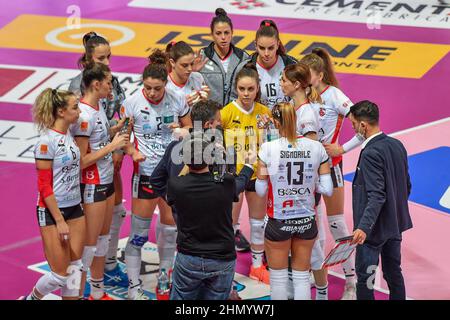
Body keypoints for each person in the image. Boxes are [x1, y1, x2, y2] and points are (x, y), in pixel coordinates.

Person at [120, 49, 192, 300]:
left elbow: (190, 128)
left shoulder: (177, 99)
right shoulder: (131, 104)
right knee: (138, 234)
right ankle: (133, 287)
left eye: (157, 88)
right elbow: (121, 137)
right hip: (147, 175)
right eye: (148, 88)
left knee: (170, 229)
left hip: (172, 174)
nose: (152, 93)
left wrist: (181, 132)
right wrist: (131, 151)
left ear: (165, 84)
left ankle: (165, 275)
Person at [68, 31, 129, 288]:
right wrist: (112, 146)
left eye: (109, 57)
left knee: (106, 231)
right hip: (91, 179)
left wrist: (116, 135)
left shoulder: (101, 102)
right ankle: (75, 290)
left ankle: (98, 285)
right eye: (102, 59)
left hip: (105, 171)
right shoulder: (81, 104)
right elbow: (80, 156)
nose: (108, 64)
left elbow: (101, 131)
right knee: (89, 242)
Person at [255, 102, 333, 300]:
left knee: (279, 278)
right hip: (306, 220)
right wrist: (309, 183)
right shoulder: (316, 147)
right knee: (301, 277)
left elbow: (260, 189)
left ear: (274, 122)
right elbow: (328, 189)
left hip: (279, 219)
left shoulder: (267, 148)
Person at [301, 48, 361, 299]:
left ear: (320, 74)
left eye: (308, 75)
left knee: (336, 223)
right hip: (307, 168)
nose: (304, 79)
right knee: (311, 223)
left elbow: (363, 123)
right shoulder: (302, 94)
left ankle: (351, 281)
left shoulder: (335, 95)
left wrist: (342, 148)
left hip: (332, 165)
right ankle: (318, 275)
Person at [167, 131, 255, 300]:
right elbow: (241, 181)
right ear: (210, 158)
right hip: (222, 258)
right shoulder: (224, 184)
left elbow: (183, 178)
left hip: (189, 256)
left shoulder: (177, 185)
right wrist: (249, 165)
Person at [21, 89, 85, 300]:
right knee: (59, 275)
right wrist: (59, 221)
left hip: (75, 207)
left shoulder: (68, 132)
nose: (79, 110)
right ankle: (33, 298)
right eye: (75, 107)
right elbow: (44, 187)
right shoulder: (46, 142)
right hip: (51, 212)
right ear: (60, 112)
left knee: (76, 267)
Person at [348, 100, 413, 300]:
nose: (354, 130)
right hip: (394, 226)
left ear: (363, 125)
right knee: (394, 273)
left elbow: (377, 195)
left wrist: (364, 227)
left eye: (353, 125)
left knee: (366, 277)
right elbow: (406, 185)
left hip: (373, 231)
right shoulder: (397, 145)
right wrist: (393, 212)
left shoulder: (370, 153)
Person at [280, 62, 329, 299]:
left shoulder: (307, 113)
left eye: (284, 81)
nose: (281, 84)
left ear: (297, 84)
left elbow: (311, 153)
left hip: (305, 189)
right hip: (290, 186)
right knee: (291, 241)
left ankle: (322, 293)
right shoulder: (291, 107)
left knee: (314, 245)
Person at [221, 63, 272, 284]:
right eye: (242, 89)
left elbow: (271, 145)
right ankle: (227, 269)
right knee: (228, 225)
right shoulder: (226, 113)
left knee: (258, 222)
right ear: (236, 88)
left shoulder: (265, 113)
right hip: (232, 178)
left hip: (256, 177)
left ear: (257, 88)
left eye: (250, 89)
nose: (246, 94)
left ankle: (257, 266)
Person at [232, 19, 297, 109]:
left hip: (287, 121)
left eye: (271, 48)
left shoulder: (291, 65)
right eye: (262, 48)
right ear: (255, 45)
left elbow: (303, 95)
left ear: (278, 44)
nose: (266, 53)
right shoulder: (245, 67)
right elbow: (234, 99)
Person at [198, 8, 249, 107]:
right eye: (218, 33)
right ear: (212, 34)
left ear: (232, 33)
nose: (223, 37)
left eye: (226, 33)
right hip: (208, 116)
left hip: (235, 116)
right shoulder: (202, 57)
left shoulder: (243, 58)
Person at [166, 41, 210, 107]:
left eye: (191, 64)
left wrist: (205, 102)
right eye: (184, 65)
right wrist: (183, 107)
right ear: (172, 62)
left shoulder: (198, 77)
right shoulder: (164, 86)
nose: (190, 69)